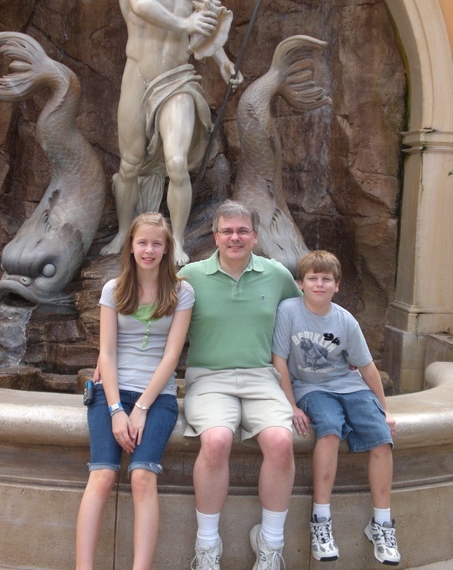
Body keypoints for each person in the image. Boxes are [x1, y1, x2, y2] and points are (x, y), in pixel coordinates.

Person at [101, 0, 241, 265]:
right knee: (130, 165)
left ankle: (176, 240)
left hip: (179, 77)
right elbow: (140, 3)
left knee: (176, 163)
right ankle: (124, 231)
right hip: (140, 73)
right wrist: (185, 22)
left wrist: (223, 61)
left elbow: (202, 22)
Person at [178, 200, 303, 570]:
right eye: (227, 231)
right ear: (215, 236)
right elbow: (155, 322)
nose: (235, 237)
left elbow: (303, 318)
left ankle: (271, 544)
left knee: (281, 442)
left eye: (243, 231)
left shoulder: (276, 274)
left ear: (255, 236)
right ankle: (206, 546)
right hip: (209, 378)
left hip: (262, 377)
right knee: (217, 440)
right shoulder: (190, 277)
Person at [76, 212, 194, 570]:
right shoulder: (113, 289)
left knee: (142, 476)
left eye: (157, 243)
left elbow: (172, 356)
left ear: (167, 248)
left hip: (157, 399)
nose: (149, 250)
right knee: (102, 476)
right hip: (111, 393)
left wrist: (141, 407)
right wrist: (116, 410)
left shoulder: (182, 292)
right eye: (142, 242)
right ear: (130, 246)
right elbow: (107, 353)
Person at [271, 250, 401, 565]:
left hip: (349, 386)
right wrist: (292, 406)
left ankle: (382, 523)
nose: (319, 284)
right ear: (300, 283)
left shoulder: (345, 320)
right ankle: (321, 520)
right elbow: (279, 362)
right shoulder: (288, 311)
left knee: (382, 439)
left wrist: (385, 410)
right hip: (310, 388)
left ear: (337, 285)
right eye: (313, 278)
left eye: (326, 279)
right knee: (328, 431)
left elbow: (367, 367)